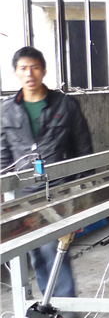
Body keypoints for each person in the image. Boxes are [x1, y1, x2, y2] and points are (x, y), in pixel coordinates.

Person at [1, 46, 93, 299]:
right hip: (24, 193)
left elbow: (83, 150)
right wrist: (4, 195)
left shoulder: (65, 105)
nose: (29, 73)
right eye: (23, 68)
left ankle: (64, 305)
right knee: (36, 251)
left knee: (52, 247)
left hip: (58, 189)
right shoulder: (7, 110)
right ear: (16, 72)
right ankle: (51, 302)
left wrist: (80, 193)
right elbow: (3, 156)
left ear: (43, 71)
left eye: (34, 67)